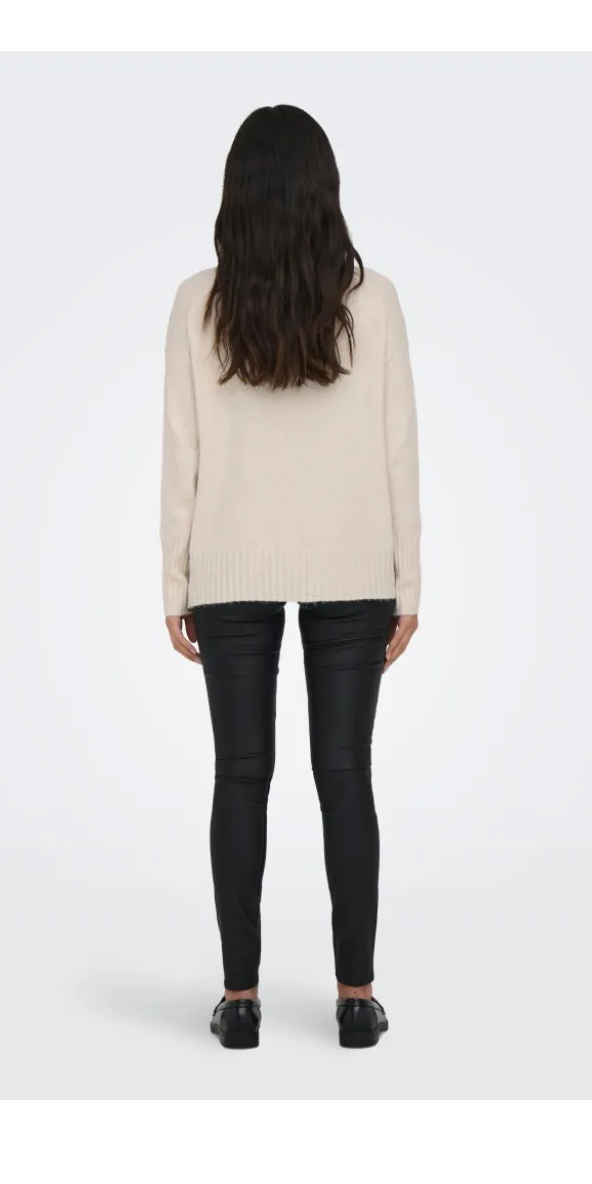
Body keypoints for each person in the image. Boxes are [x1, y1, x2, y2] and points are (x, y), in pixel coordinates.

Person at [159, 104, 422, 1050]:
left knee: (241, 775)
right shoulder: (373, 301)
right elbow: (399, 448)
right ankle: (356, 1000)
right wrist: (408, 583)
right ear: (325, 193)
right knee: (345, 774)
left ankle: (240, 1002)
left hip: (228, 564)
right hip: (355, 563)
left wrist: (175, 580)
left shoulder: (199, 303)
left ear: (237, 194)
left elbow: (181, 451)